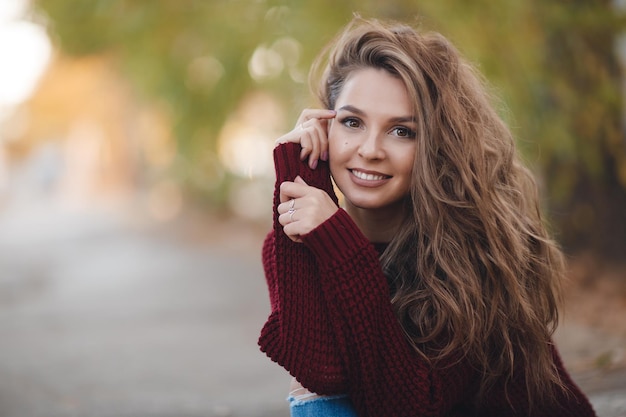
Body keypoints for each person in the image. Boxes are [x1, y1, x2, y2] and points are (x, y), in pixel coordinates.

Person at [258, 16, 597, 417]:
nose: (370, 149)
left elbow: (409, 405)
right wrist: (298, 174)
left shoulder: (468, 250)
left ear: (437, 144)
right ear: (324, 129)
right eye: (352, 122)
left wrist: (342, 246)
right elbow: (318, 375)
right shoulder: (304, 238)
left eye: (402, 131)